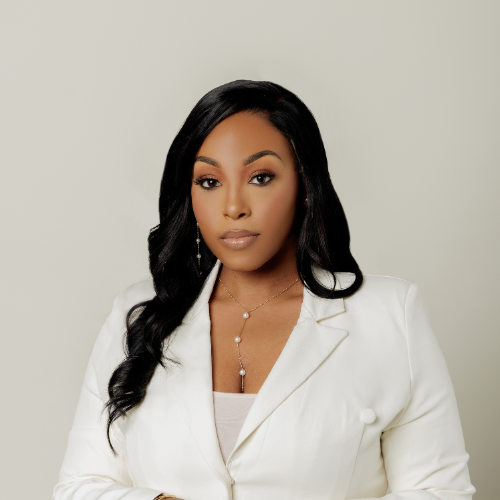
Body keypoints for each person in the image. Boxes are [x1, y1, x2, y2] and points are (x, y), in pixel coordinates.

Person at [53, 80, 475, 500]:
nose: (233, 207)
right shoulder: (138, 315)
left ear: (305, 184)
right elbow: (79, 487)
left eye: (260, 177)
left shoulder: (389, 315)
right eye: (209, 181)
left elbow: (440, 492)